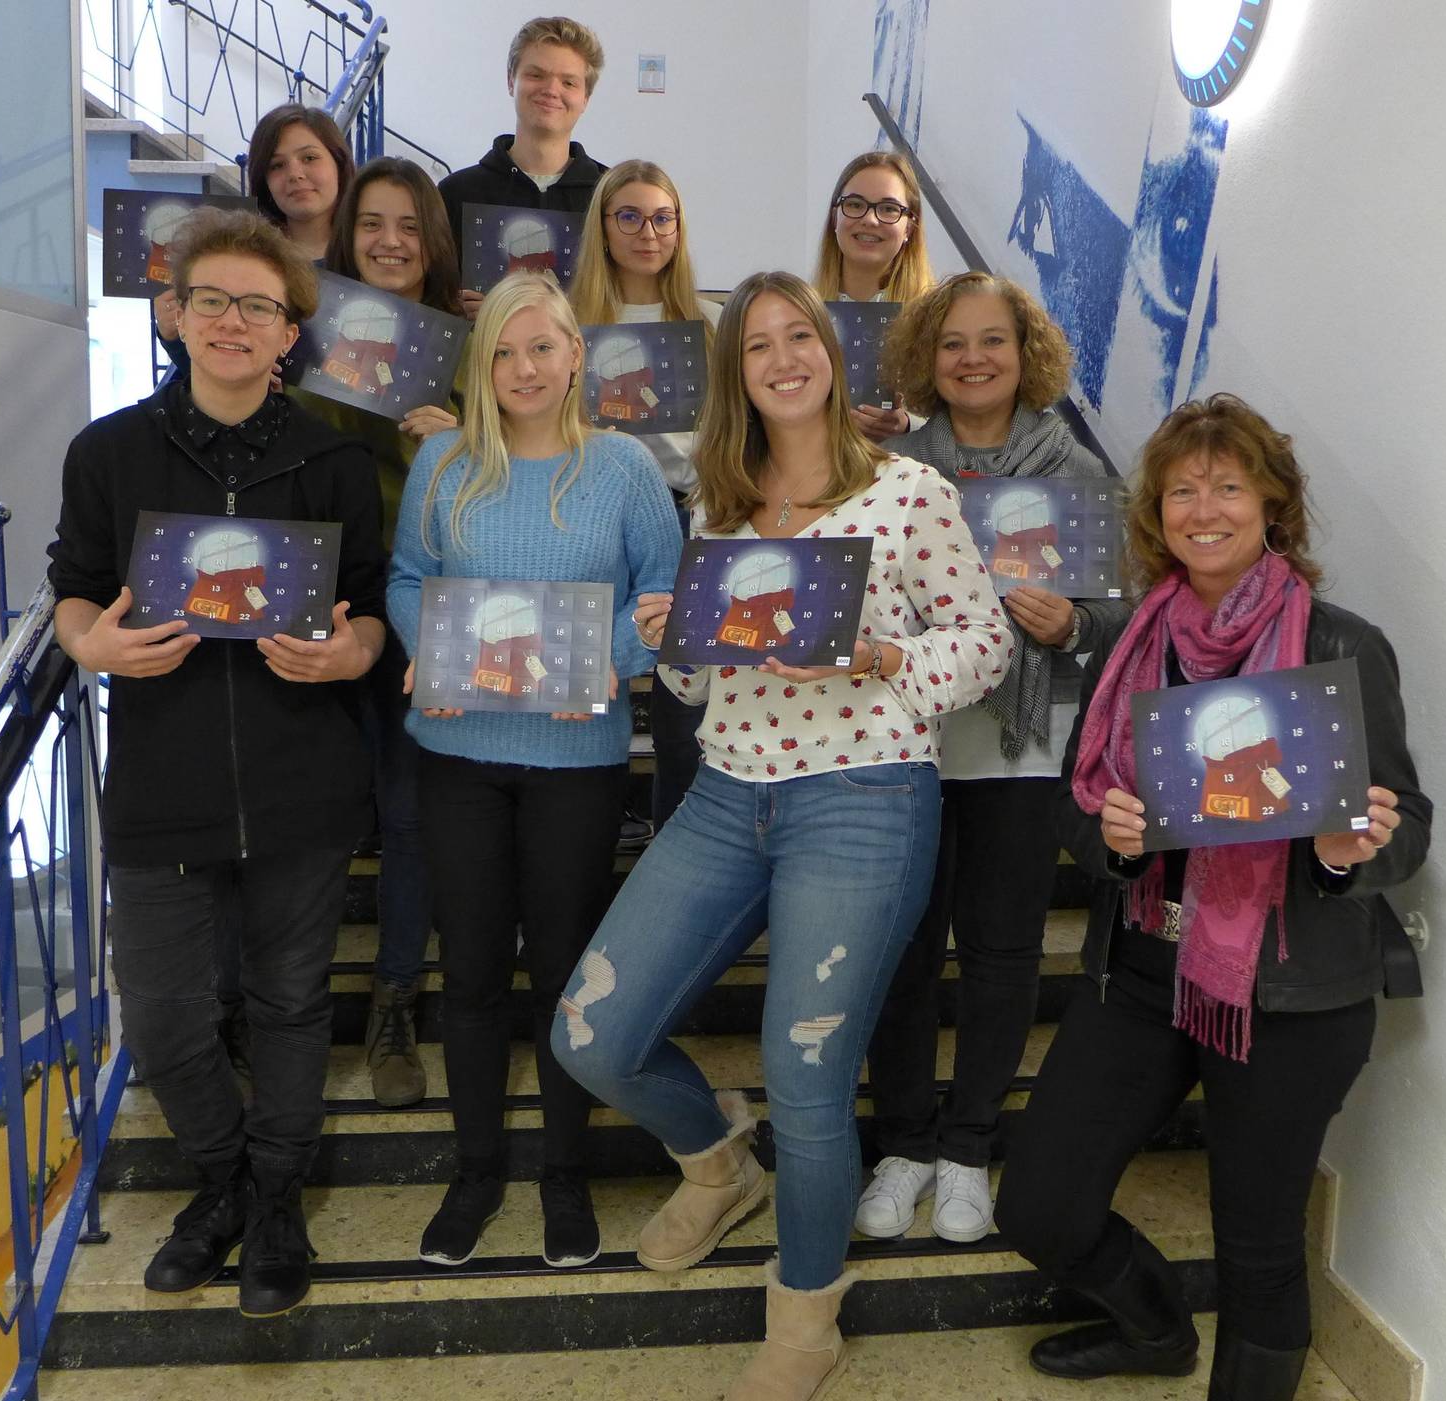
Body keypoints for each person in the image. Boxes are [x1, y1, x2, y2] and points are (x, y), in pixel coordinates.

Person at [550, 272, 1012, 1400]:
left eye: (797, 335)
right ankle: (718, 1168)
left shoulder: (909, 491)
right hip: (728, 791)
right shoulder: (715, 505)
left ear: (829, 352)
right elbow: (702, 688)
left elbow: (986, 644)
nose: (782, 357)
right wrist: (674, 640)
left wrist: (885, 658)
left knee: (806, 1075)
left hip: (863, 798)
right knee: (590, 1036)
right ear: (736, 376)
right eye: (757, 346)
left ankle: (805, 1312)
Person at [993, 394, 1432, 1399]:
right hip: (1144, 971)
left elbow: (1407, 828)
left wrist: (1343, 848)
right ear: (1157, 511)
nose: (1204, 508)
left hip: (1284, 995)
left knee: (1261, 1245)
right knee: (1041, 1205)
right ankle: (1153, 1330)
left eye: (1228, 486)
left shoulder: (1341, 646)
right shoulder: (1129, 645)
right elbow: (1077, 801)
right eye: (1183, 489)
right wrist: (1104, 836)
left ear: (1272, 502)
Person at [46, 208, 387, 1319]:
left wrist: (351, 655)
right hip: (161, 781)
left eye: (261, 306)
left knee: (291, 1003)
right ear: (173, 314)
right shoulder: (108, 453)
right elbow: (76, 584)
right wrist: (89, 640)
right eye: (213, 300)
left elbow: (375, 614)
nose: (236, 322)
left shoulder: (333, 460)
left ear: (290, 332)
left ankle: (276, 1201)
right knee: (159, 1014)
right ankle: (226, 1183)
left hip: (303, 780)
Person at [388, 274, 680, 1269]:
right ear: (483, 364)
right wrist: (420, 643)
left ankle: (563, 1174)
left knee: (564, 974)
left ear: (574, 358)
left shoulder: (625, 468)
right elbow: (405, 579)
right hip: (458, 753)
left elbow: (667, 593)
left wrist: (617, 661)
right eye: (504, 353)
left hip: (577, 758)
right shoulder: (442, 462)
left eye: (542, 350)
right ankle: (475, 1172)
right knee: (469, 973)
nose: (523, 370)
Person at [855, 271, 1129, 1244]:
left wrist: (1074, 623)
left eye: (993, 341)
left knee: (1005, 953)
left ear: (1027, 354)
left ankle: (968, 1148)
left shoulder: (1080, 473)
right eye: (953, 343)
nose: (973, 359)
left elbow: (1121, 613)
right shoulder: (884, 470)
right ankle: (902, 1143)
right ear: (925, 359)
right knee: (902, 953)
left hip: (1022, 744)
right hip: (909, 740)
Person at [302, 156, 465, 1107]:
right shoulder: (307, 330)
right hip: (322, 598)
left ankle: (395, 996)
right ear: (346, 233)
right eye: (372, 224)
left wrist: (462, 434)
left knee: (408, 812)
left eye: (410, 223)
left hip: (426, 599)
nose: (391, 240)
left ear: (433, 236)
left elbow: (517, 462)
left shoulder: (470, 341)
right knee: (322, 810)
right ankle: (281, 1001)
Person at [568, 157, 721, 829]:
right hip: (595, 520)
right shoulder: (568, 319)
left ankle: (675, 858)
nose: (647, 231)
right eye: (629, 215)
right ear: (603, 225)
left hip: (686, 519)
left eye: (663, 217)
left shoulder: (709, 322)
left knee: (683, 719)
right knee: (578, 691)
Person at [154, 104, 355, 365]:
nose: (295, 174)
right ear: (265, 180)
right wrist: (172, 336)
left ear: (338, 163)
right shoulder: (243, 259)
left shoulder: (371, 256)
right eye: (277, 165)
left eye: (309, 158)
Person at [437, 16, 609, 319]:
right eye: (536, 75)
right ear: (510, 81)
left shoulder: (610, 195)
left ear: (585, 99)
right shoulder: (455, 193)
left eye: (568, 82)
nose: (551, 90)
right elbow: (433, 297)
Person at [811, 151, 934, 443]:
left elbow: (970, 414)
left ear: (910, 226)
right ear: (834, 217)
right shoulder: (800, 312)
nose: (869, 219)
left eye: (889, 208)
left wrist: (908, 424)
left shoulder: (940, 317)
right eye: (854, 204)